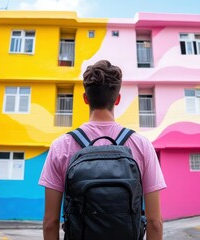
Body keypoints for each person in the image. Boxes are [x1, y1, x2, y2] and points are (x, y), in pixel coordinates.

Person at [39, 60, 166, 240]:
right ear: (118, 99)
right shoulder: (141, 145)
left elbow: (50, 222)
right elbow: (154, 222)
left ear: (85, 98)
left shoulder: (61, 146)